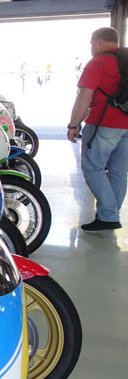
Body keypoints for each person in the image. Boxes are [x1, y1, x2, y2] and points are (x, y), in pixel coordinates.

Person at [67, 27, 128, 231]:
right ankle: (109, 214)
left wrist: (73, 124)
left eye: (92, 43)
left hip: (104, 124)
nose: (91, 47)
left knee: (93, 168)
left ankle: (109, 215)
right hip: (126, 124)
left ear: (99, 41)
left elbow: (84, 97)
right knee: (119, 171)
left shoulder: (98, 62)